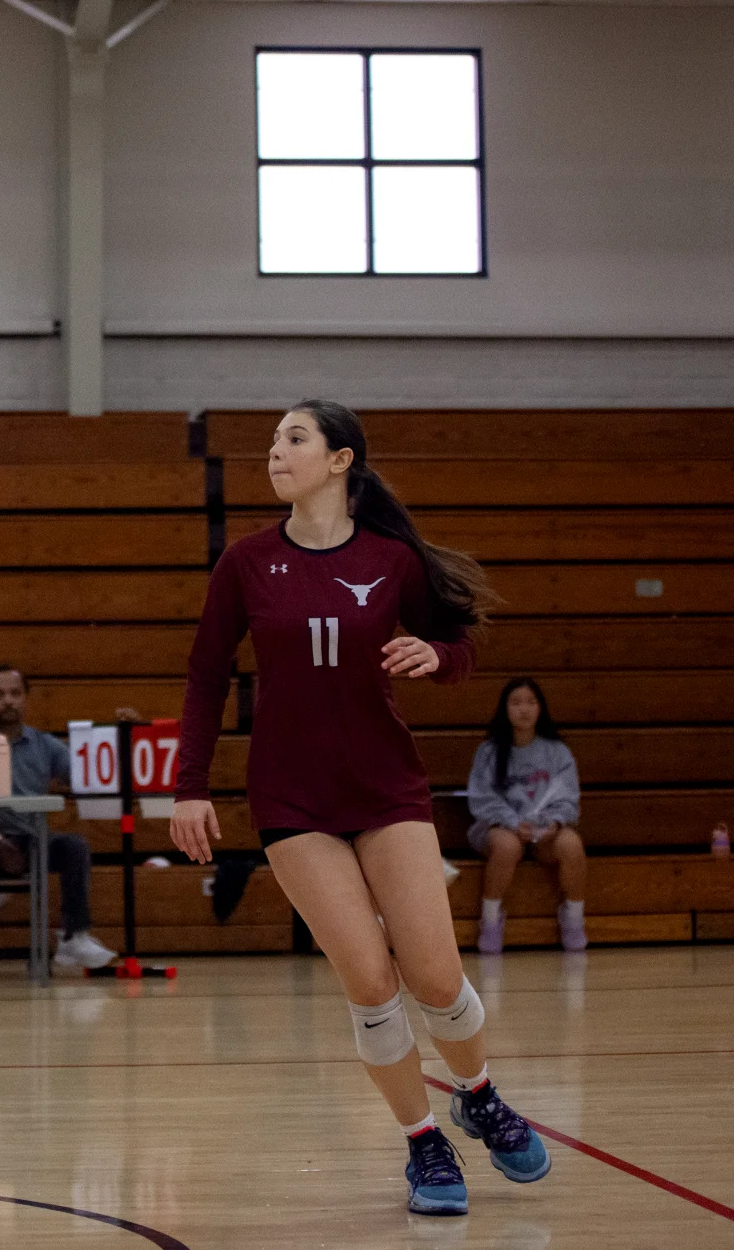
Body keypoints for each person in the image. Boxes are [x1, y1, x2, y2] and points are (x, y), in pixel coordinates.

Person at [170, 399, 548, 1218]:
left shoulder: (391, 558)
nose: (275, 451)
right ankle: (424, 1141)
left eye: (294, 437)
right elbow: (205, 675)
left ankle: (479, 1092)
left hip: (385, 787)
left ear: (340, 460)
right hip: (290, 796)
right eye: (273, 440)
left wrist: (435, 653)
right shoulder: (245, 562)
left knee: (436, 975)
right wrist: (188, 785)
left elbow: (461, 647)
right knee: (372, 981)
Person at [0, 665, 117, 978]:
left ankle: (74, 936)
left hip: (32, 839)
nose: (8, 700)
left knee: (74, 846)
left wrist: (118, 732)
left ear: (25, 699)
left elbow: (88, 776)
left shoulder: (45, 745)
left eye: (15, 693)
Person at [466, 677, 586, 954]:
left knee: (571, 844)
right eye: (516, 702)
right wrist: (512, 823)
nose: (524, 709)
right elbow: (482, 797)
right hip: (500, 827)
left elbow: (568, 795)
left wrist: (554, 822)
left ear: (540, 708)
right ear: (505, 708)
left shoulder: (557, 751)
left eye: (531, 702)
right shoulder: (489, 751)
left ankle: (573, 918)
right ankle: (491, 919)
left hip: (545, 830)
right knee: (507, 847)